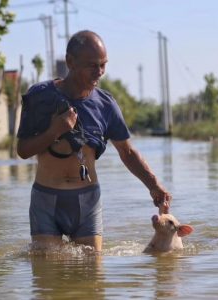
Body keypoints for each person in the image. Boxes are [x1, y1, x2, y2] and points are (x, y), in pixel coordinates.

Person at [17, 30, 171, 252]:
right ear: (71, 61)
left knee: (92, 278)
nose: (99, 72)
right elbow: (22, 150)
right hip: (46, 199)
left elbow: (127, 152)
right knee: (47, 275)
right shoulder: (39, 96)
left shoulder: (106, 105)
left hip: (87, 200)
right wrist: (55, 130)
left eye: (103, 65)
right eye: (92, 65)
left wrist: (154, 185)